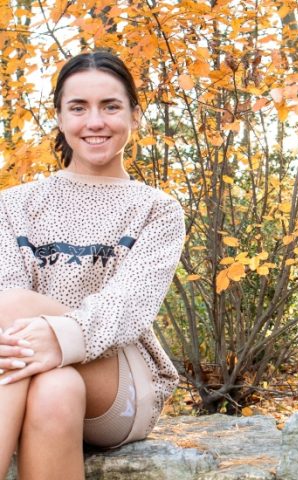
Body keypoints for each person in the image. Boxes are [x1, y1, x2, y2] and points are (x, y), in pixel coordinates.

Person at [0, 51, 185, 479]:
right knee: (54, 385)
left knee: (11, 311)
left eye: (111, 106)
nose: (94, 122)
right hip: (31, 374)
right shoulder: (13, 205)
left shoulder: (157, 210)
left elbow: (128, 308)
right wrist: (43, 348)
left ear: (135, 116)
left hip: (119, 387)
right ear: (60, 118)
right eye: (78, 108)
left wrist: (59, 337)